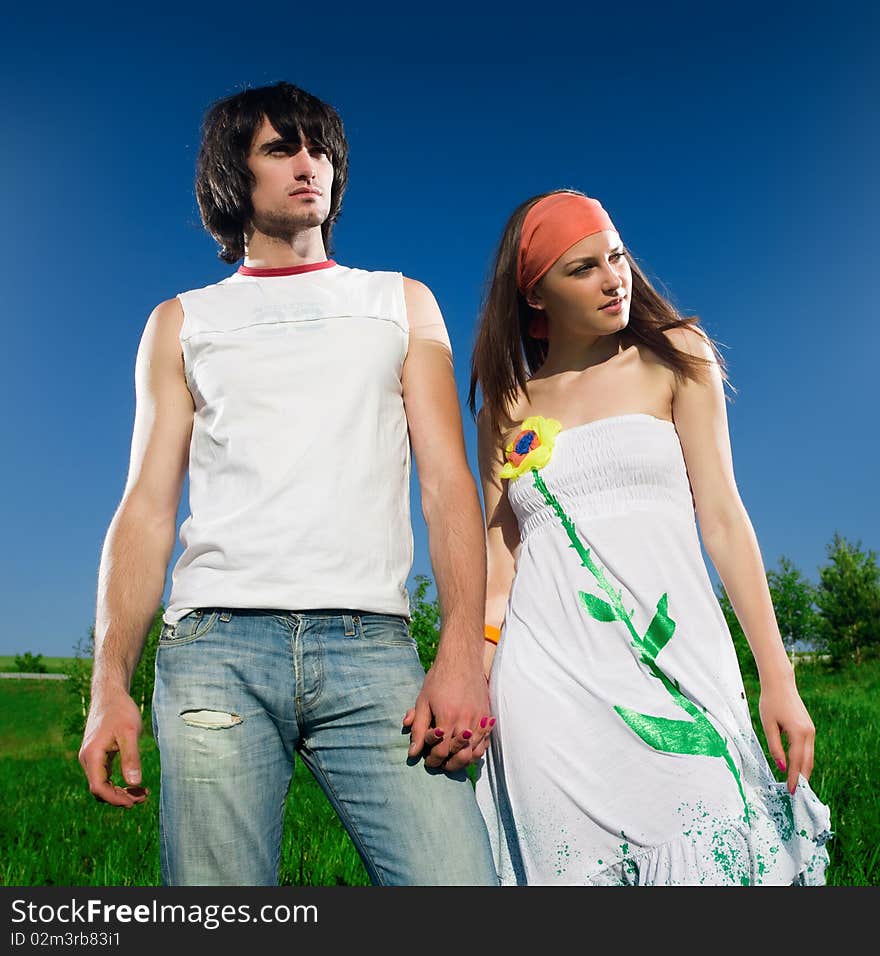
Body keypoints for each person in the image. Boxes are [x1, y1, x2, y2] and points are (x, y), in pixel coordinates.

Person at [78, 80, 498, 887]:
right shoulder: (181, 320)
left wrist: (460, 655)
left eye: (321, 150)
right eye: (282, 148)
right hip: (214, 651)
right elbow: (146, 509)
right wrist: (108, 687)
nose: (310, 164)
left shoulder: (401, 302)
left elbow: (449, 485)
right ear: (234, 175)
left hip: (371, 648)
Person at [467, 189, 832, 886]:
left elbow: (723, 520)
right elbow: (500, 562)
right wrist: (471, 674)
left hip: (679, 662)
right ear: (535, 296)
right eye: (582, 269)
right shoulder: (506, 404)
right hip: (545, 683)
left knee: (713, 846)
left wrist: (776, 677)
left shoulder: (677, 358)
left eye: (616, 257)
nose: (613, 278)